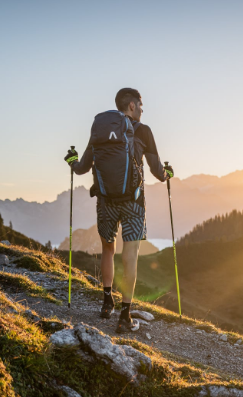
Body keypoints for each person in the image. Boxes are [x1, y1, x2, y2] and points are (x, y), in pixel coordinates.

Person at [66, 88, 173, 333]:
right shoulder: (143, 131)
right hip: (134, 202)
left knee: (107, 247)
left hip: (106, 201)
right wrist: (169, 173)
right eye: (141, 105)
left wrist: (71, 160)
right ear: (132, 106)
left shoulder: (101, 130)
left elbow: (82, 168)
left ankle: (107, 301)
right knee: (131, 253)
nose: (143, 110)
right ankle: (125, 315)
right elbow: (158, 172)